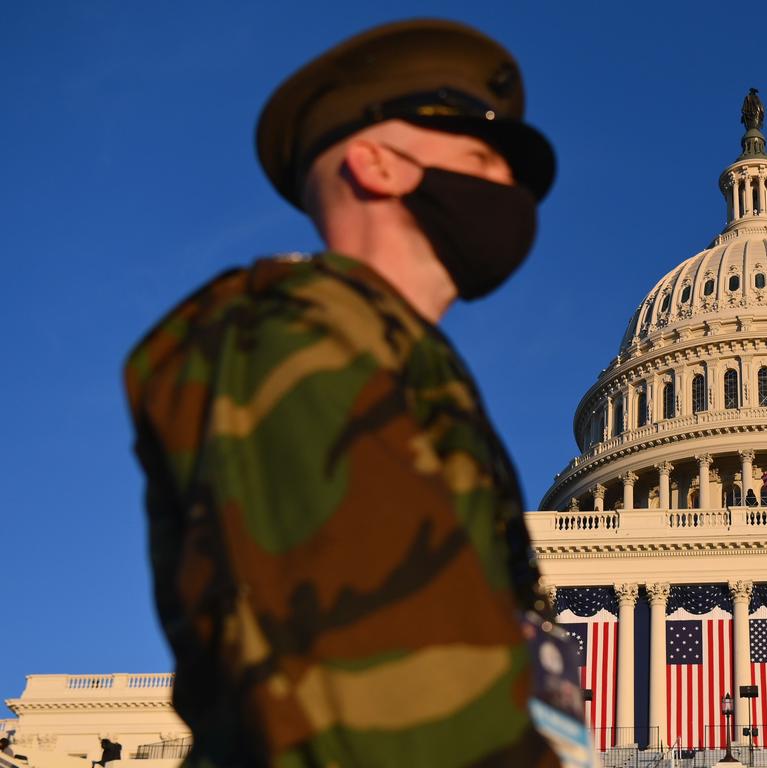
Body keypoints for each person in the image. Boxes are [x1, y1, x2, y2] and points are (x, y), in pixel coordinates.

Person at [124, 18, 582, 768]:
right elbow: (375, 680)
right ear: (376, 164)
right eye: (480, 157)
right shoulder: (286, 338)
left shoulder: (406, 363)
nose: (512, 190)